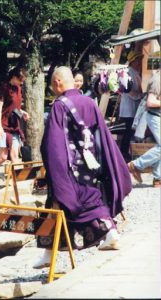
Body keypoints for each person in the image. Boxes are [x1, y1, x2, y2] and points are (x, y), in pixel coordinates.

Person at [33, 66, 132, 268]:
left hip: (69, 169)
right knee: (73, 205)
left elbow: (53, 142)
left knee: (66, 204)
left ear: (57, 83)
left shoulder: (59, 106)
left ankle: (110, 233)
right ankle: (48, 252)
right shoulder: (89, 102)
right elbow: (103, 136)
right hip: (91, 166)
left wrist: (54, 171)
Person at [0, 65, 29, 178]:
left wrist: (22, 112)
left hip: (14, 126)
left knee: (15, 156)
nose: (22, 83)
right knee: (3, 157)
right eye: (20, 80)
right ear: (14, 77)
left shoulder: (19, 88)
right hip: (3, 126)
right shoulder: (4, 88)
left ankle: (18, 181)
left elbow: (14, 106)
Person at [128, 69, 161, 187]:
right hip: (155, 116)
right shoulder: (157, 80)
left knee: (159, 147)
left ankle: (158, 179)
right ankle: (136, 165)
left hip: (157, 116)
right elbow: (150, 102)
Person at [119, 50, 143, 162]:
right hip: (129, 108)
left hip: (134, 107)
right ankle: (123, 154)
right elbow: (127, 91)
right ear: (132, 61)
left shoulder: (135, 72)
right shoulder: (128, 72)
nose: (139, 61)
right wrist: (140, 96)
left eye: (140, 59)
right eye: (137, 59)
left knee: (130, 132)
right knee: (128, 132)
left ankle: (127, 153)